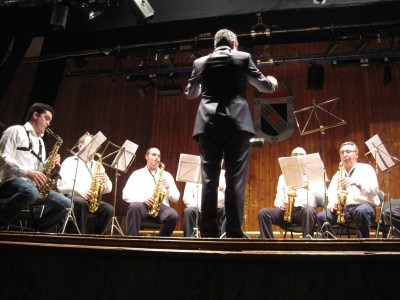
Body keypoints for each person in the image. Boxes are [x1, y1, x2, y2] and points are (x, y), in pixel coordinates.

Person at [184, 28, 278, 238]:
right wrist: (272, 82)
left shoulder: (200, 63)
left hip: (208, 125)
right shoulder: (242, 58)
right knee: (235, 179)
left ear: (214, 45)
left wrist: (204, 86)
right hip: (237, 124)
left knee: (209, 179)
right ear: (234, 43)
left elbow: (190, 93)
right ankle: (234, 231)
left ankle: (208, 232)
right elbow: (264, 87)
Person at [0, 102, 70, 232]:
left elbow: (39, 170)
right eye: (47, 119)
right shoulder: (15, 130)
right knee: (31, 192)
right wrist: (27, 172)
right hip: (10, 182)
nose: (48, 123)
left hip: (32, 187)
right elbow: (3, 157)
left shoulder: (40, 142)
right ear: (35, 115)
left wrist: (50, 162)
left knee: (66, 204)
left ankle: (33, 231)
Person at [316, 141, 380, 238]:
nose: (345, 155)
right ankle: (333, 246)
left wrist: (357, 183)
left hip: (363, 206)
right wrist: (333, 205)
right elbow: (332, 195)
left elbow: (375, 190)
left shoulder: (366, 169)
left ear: (356, 154)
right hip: (344, 209)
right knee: (321, 216)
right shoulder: (337, 175)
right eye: (342, 152)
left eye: (348, 151)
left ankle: (362, 245)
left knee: (361, 211)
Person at [258, 147, 324, 239]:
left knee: (308, 211)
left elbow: (322, 195)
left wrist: (307, 185)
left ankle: (307, 244)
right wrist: (281, 205)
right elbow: (278, 198)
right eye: (295, 155)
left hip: (304, 210)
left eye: (301, 155)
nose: (298, 157)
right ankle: (268, 244)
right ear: (290, 158)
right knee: (263, 213)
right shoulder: (283, 177)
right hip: (286, 211)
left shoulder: (313, 175)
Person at [57, 133, 114, 234]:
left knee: (109, 209)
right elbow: (63, 184)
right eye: (91, 146)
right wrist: (81, 192)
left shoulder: (98, 165)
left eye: (96, 147)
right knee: (81, 202)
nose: (94, 150)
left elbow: (108, 188)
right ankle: (80, 238)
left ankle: (96, 239)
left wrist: (105, 182)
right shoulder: (70, 161)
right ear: (80, 146)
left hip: (91, 200)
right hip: (71, 197)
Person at [122, 147, 180, 236]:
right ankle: (132, 241)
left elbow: (176, 199)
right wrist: (143, 199)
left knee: (173, 215)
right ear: (146, 157)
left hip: (161, 207)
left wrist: (169, 188)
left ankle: (161, 243)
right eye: (153, 155)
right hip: (143, 206)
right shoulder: (137, 174)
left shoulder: (167, 175)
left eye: (159, 156)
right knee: (133, 207)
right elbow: (125, 194)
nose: (157, 157)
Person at [183, 170, 226, 237]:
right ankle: (190, 243)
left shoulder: (224, 174)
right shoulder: (193, 175)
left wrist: (224, 189)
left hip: (218, 209)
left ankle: (225, 242)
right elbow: (186, 198)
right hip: (199, 209)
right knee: (188, 211)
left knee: (227, 211)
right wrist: (200, 205)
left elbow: (231, 197)